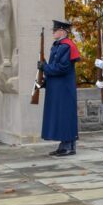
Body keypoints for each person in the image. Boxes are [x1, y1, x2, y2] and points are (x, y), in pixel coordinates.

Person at [39, 20, 80, 156]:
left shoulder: (67, 46)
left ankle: (69, 146)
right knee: (60, 116)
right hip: (57, 87)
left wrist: (45, 67)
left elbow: (62, 68)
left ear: (63, 31)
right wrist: (45, 80)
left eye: (55, 30)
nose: (53, 32)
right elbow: (55, 66)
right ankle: (64, 145)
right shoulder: (58, 45)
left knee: (64, 116)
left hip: (64, 89)